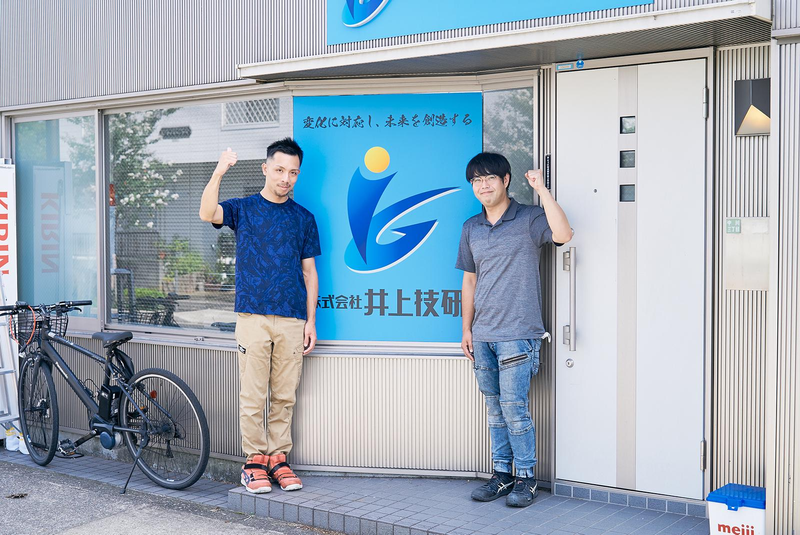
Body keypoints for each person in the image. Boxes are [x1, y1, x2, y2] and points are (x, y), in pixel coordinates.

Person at [199, 138, 320, 494]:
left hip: (292, 319)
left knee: (284, 396)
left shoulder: (303, 218)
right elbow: (207, 213)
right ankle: (253, 462)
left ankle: (278, 459)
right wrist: (219, 171)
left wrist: (310, 321)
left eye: (293, 172)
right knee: (253, 395)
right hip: (253, 317)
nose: (286, 178)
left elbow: (309, 273)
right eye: (279, 170)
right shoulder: (244, 208)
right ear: (265, 169)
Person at [456, 152, 572, 508]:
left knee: (514, 409)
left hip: (519, 334)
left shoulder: (529, 218)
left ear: (506, 180)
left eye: (490, 178)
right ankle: (502, 475)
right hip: (483, 335)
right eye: (476, 180)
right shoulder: (471, 227)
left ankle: (526, 479)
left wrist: (542, 190)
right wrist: (466, 329)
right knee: (494, 411)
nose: (483, 185)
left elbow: (564, 234)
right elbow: (470, 281)